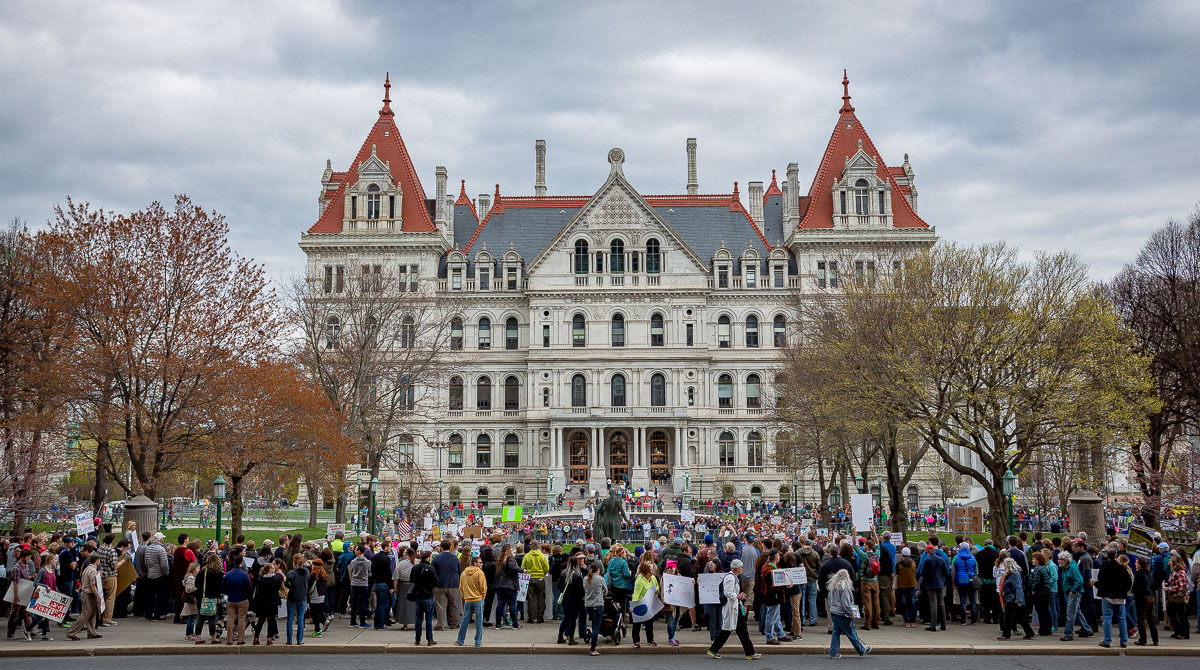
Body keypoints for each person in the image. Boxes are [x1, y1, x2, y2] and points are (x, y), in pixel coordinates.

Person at [707, 559, 761, 660]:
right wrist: (738, 597)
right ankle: (750, 653)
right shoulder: (731, 579)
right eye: (741, 567)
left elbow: (733, 594)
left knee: (736, 630)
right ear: (736, 568)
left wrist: (741, 604)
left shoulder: (733, 577)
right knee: (734, 630)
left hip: (735, 607)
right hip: (731, 607)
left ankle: (714, 649)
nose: (742, 569)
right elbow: (728, 593)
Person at [827, 568, 870, 658]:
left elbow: (829, 599)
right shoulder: (845, 588)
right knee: (851, 633)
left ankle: (833, 653)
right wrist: (851, 613)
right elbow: (846, 603)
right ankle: (861, 650)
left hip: (834, 612)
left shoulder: (833, 586)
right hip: (843, 614)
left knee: (836, 633)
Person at [1095, 547, 1131, 648]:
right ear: (1116, 556)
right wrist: (1124, 590)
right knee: (1122, 619)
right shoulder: (1122, 568)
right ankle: (1124, 641)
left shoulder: (1104, 567)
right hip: (1120, 595)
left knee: (1107, 618)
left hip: (1107, 595)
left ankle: (1107, 640)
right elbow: (1128, 582)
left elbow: (1101, 582)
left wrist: (1096, 584)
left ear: (1107, 555)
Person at [998, 557, 1035, 640]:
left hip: (1012, 599)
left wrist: (1019, 600)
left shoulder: (1013, 575)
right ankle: (1030, 633)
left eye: (1004, 565)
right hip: (1013, 598)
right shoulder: (1012, 574)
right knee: (1020, 617)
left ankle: (1006, 635)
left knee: (1008, 617)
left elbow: (1018, 588)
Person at [1058, 550, 1092, 640]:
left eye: (1060, 559)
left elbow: (1079, 581)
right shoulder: (1065, 568)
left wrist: (1072, 590)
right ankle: (1087, 629)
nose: (1058, 561)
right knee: (1077, 612)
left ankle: (1068, 634)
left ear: (1066, 560)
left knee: (1070, 614)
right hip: (1070, 592)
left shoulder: (1072, 568)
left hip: (1074, 593)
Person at [455, 555, 487, 647]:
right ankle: (477, 641)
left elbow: (461, 587)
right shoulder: (479, 573)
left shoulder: (464, 573)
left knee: (465, 620)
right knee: (479, 621)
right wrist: (483, 595)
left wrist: (464, 596)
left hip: (467, 599)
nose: (482, 564)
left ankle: (460, 640)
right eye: (480, 562)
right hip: (478, 598)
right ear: (475, 563)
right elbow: (482, 586)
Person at [193, 553, 224, 645]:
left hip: (201, 597)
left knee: (200, 617)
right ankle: (213, 637)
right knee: (212, 618)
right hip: (213, 598)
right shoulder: (218, 573)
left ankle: (198, 637)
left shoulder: (203, 571)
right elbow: (220, 586)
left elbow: (196, 584)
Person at [919, 542, 949, 632]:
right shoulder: (941, 559)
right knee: (941, 604)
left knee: (933, 604)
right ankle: (943, 624)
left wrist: (927, 578)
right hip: (940, 583)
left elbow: (922, 573)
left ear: (927, 551)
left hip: (930, 584)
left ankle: (933, 625)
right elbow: (946, 572)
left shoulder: (927, 560)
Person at [410, 550, 438, 646]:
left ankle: (417, 639)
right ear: (427, 558)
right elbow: (436, 582)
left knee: (418, 618)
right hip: (428, 595)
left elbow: (411, 580)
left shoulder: (415, 568)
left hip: (418, 595)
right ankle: (430, 639)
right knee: (428, 619)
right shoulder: (430, 568)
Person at [251, 561, 283, 645]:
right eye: (272, 568)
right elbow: (278, 588)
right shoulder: (276, 579)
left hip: (262, 602)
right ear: (269, 570)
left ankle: (256, 637)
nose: (274, 569)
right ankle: (269, 638)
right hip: (272, 602)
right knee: (271, 620)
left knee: (261, 621)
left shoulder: (260, 580)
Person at [223, 557, 252, 645]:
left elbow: (224, 587)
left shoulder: (228, 574)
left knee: (230, 619)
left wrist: (229, 593)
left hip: (231, 599)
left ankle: (229, 639)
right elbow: (249, 588)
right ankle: (240, 639)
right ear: (241, 563)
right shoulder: (244, 574)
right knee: (241, 619)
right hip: (242, 599)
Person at [631, 560, 660, 648]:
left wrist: (657, 590)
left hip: (650, 603)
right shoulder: (640, 580)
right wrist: (633, 606)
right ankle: (636, 641)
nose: (653, 568)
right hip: (640, 603)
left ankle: (650, 640)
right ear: (647, 571)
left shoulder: (653, 578)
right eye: (651, 568)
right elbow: (636, 594)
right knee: (637, 623)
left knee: (649, 623)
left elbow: (657, 586)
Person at [559, 552, 586, 644]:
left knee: (566, 618)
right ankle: (571, 637)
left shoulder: (563, 573)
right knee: (573, 619)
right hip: (575, 599)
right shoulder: (578, 575)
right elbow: (581, 589)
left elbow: (560, 586)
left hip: (565, 598)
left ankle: (560, 636)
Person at [495, 544, 524, 630]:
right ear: (509, 549)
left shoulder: (499, 560)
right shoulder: (510, 558)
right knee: (512, 605)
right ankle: (515, 623)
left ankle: (498, 623)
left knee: (500, 604)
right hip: (510, 585)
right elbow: (512, 567)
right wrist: (522, 570)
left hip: (500, 585)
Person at [583, 558, 608, 656]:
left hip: (588, 605)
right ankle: (593, 649)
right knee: (596, 627)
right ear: (598, 570)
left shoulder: (585, 579)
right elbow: (605, 591)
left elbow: (584, 589)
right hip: (598, 604)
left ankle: (594, 641)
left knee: (593, 623)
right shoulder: (600, 579)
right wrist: (601, 592)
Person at [285, 555, 311, 645]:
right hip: (302, 596)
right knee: (300, 618)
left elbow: (288, 584)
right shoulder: (307, 572)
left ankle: (289, 639)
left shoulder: (291, 573)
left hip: (292, 597)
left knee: (290, 618)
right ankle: (299, 640)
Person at [1163, 554, 1191, 640]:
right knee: (1172, 612)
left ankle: (1184, 633)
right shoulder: (1174, 572)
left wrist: (1168, 588)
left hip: (1179, 597)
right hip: (1174, 597)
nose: (1169, 562)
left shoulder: (1180, 573)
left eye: (1171, 561)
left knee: (1181, 615)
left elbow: (1181, 587)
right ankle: (1177, 631)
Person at [522, 541, 549, 624]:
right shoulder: (542, 556)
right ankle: (540, 618)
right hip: (540, 579)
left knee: (531, 599)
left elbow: (523, 567)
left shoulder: (527, 556)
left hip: (530, 578)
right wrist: (542, 574)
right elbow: (546, 568)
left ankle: (531, 618)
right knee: (541, 598)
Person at [953, 541, 978, 625]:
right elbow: (977, 570)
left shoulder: (956, 558)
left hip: (960, 581)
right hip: (971, 581)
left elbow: (953, 571)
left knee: (962, 601)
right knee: (973, 601)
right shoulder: (973, 558)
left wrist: (953, 581)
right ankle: (974, 620)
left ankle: (963, 620)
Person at [1029, 552, 1053, 636]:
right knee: (1046, 610)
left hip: (1039, 593)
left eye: (1034, 559)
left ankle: (1042, 630)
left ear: (1038, 561)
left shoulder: (1037, 569)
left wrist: (1033, 590)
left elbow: (1035, 581)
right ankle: (1048, 629)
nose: (1032, 560)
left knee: (1040, 611)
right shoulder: (1044, 568)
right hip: (1046, 592)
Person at [393, 546, 417, 631]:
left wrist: (395, 587)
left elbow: (396, 577)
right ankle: (416, 623)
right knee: (415, 605)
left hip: (403, 585)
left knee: (403, 605)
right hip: (415, 585)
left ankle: (405, 624)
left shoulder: (400, 564)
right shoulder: (417, 562)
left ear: (406, 555)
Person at [371, 542, 394, 630]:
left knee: (378, 604)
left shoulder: (375, 557)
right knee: (382, 604)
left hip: (377, 583)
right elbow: (389, 573)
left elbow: (372, 570)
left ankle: (376, 623)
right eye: (389, 547)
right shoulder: (386, 559)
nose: (390, 549)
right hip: (384, 583)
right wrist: (391, 586)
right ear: (385, 547)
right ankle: (380, 623)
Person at [348, 544, 371, 628]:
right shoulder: (368, 562)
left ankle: (353, 621)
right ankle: (362, 621)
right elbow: (369, 572)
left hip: (354, 583)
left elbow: (352, 570)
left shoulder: (353, 562)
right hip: (364, 583)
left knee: (354, 603)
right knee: (363, 603)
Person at [896, 547, 918, 627]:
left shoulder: (899, 564)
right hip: (912, 584)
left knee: (904, 603)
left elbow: (897, 573)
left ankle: (907, 620)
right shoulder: (913, 563)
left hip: (902, 585)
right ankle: (913, 620)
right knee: (912, 602)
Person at [306, 558, 327, 637]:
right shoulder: (323, 573)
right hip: (321, 595)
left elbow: (310, 586)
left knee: (314, 614)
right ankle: (318, 627)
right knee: (319, 611)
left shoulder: (313, 575)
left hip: (315, 596)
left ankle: (317, 630)